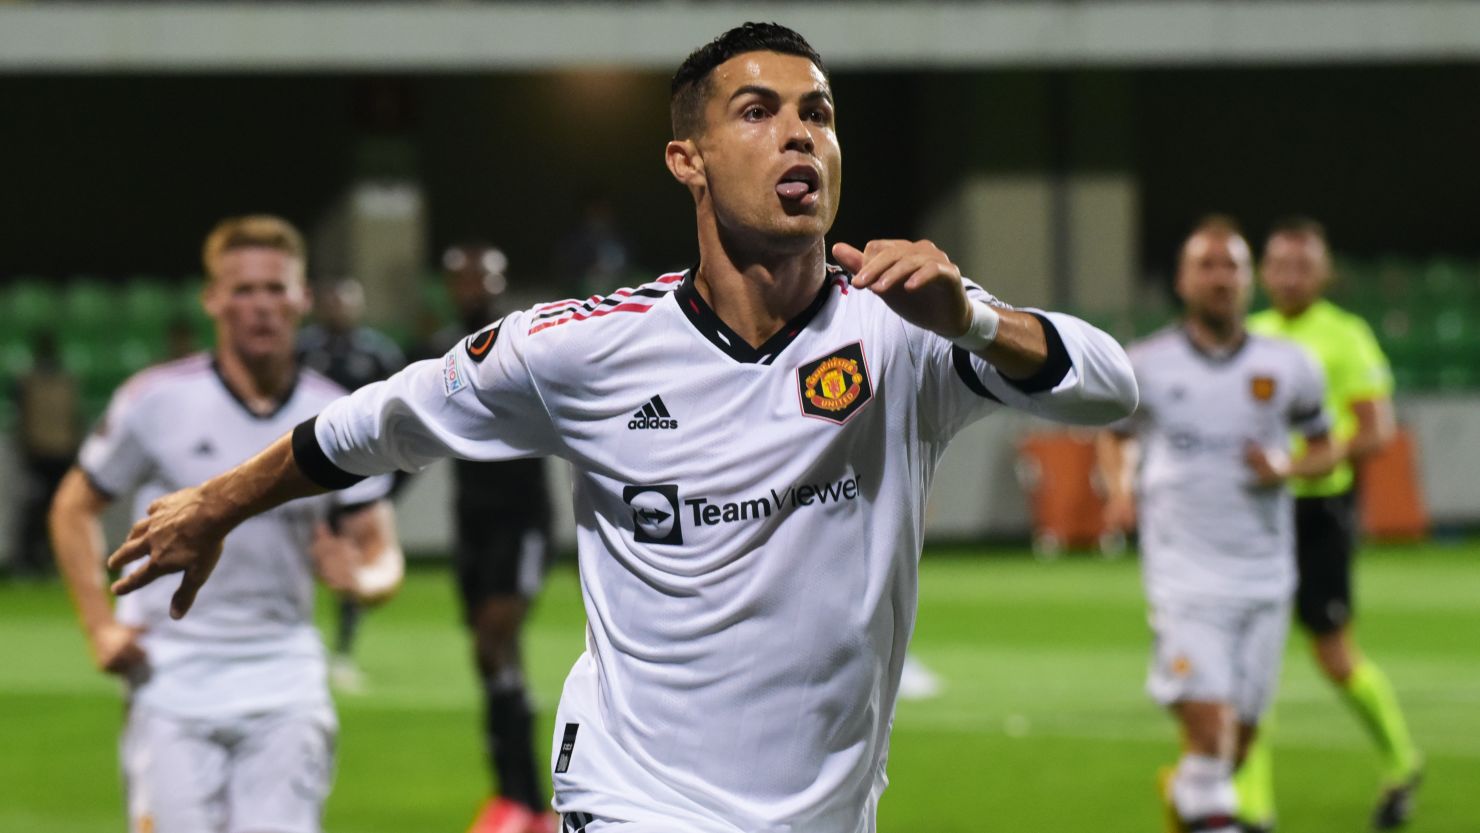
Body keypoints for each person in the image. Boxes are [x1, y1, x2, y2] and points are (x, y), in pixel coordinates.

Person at [105, 24, 1138, 833]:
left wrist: (975, 318)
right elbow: (376, 422)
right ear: (687, 159)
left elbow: (1107, 387)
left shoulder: (905, 326)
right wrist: (215, 504)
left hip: (826, 806)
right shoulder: (582, 347)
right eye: (759, 110)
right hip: (636, 794)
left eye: (818, 113)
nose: (799, 135)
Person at [49, 215, 405, 833]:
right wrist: (99, 629)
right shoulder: (156, 400)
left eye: (276, 288)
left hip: (286, 675)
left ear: (302, 298)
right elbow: (72, 506)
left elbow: (381, 552)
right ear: (212, 299)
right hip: (170, 677)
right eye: (243, 289)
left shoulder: (337, 417)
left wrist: (365, 581)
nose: (261, 306)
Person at [1097, 217, 1338, 833]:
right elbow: (1114, 436)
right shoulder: (1145, 364)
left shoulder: (1291, 365)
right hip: (1185, 579)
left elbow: (1325, 446)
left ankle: (1187, 793)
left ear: (1249, 279)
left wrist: (1286, 464)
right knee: (1211, 737)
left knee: (1237, 747)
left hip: (1265, 574)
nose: (1220, 277)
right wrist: (1121, 490)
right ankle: (1205, 800)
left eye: (1231, 265)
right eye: (1206, 265)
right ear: (1182, 280)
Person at [1237, 218, 1422, 831]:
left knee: (1336, 658)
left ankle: (1402, 760)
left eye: (1303, 265)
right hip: (1256, 515)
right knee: (1249, 664)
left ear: (1324, 273)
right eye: (1280, 264)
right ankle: (1253, 808)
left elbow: (1376, 431)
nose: (1290, 276)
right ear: (1263, 271)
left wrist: (1304, 460)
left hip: (1319, 513)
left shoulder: (1345, 337)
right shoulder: (1248, 334)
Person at [425, 244, 557, 833]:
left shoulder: (525, 343)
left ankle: (529, 800)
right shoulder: (441, 352)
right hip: (471, 522)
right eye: (461, 277)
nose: (470, 286)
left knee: (493, 639)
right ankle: (518, 798)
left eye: (481, 276)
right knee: (493, 660)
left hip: (521, 520)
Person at [297, 277, 408, 691]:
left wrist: (390, 483)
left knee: (352, 558)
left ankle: (342, 652)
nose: (339, 309)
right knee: (300, 555)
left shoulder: (378, 353)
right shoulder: (303, 349)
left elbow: (402, 416)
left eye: (346, 302)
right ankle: (300, 643)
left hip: (359, 476)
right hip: (306, 475)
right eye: (333, 301)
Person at [9, 332, 81, 578]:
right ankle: (28, 559)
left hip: (61, 452)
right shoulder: (29, 381)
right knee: (35, 507)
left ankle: (56, 559)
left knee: (60, 508)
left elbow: (73, 417)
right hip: (39, 453)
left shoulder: (65, 380)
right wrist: (28, 446)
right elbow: (23, 418)